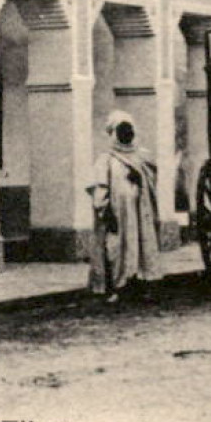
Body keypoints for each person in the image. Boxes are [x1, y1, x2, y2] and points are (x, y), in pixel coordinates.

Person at [86, 110, 165, 303]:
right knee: (115, 249)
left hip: (140, 213)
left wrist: (141, 180)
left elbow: (153, 181)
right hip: (118, 214)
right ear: (114, 133)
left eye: (129, 130)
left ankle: (141, 284)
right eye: (122, 130)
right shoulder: (106, 159)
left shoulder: (142, 157)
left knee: (141, 247)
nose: (126, 134)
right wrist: (105, 211)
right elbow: (99, 189)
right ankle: (116, 288)